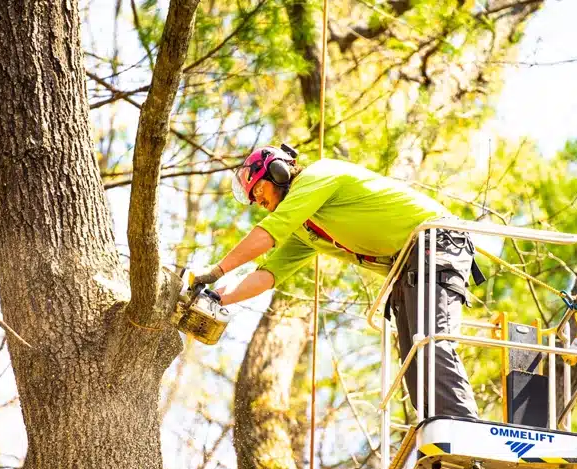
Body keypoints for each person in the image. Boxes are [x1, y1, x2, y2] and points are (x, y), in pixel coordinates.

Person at [192, 144, 480, 419]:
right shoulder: (305, 228)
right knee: (414, 366)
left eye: (257, 188)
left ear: (278, 173)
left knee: (430, 344)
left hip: (437, 242)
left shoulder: (318, 176)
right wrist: (216, 298)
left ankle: (464, 429)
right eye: (252, 197)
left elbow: (268, 233)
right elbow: (268, 274)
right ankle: (440, 435)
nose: (257, 200)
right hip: (406, 265)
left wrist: (217, 270)